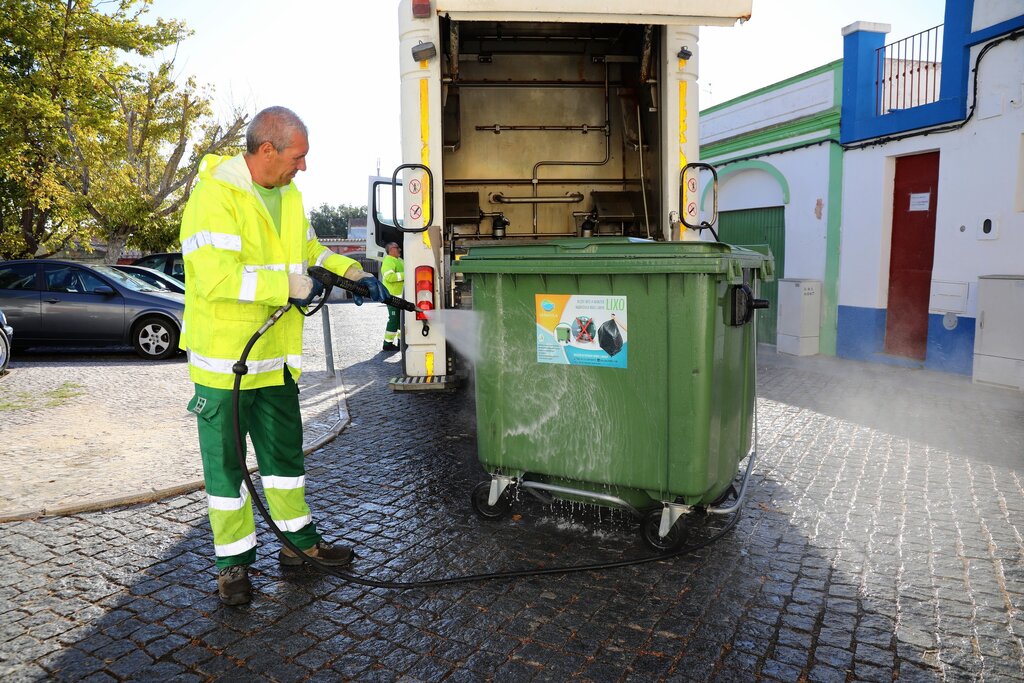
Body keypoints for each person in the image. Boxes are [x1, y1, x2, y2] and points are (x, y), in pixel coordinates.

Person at [179, 106, 390, 606]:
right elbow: (217, 278)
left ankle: (299, 547)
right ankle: (232, 567)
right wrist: (288, 286)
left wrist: (353, 273)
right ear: (267, 150)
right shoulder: (213, 198)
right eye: (298, 156)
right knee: (227, 472)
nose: (304, 167)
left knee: (284, 463)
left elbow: (312, 253)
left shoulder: (290, 196)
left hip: (276, 360)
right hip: (223, 366)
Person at [380, 242, 405, 352]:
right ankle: (387, 344)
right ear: (390, 249)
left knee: (400, 320)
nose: (399, 249)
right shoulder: (388, 260)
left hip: (399, 296)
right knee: (394, 320)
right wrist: (406, 275)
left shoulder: (399, 260)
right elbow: (389, 277)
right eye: (397, 247)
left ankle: (400, 342)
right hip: (392, 296)